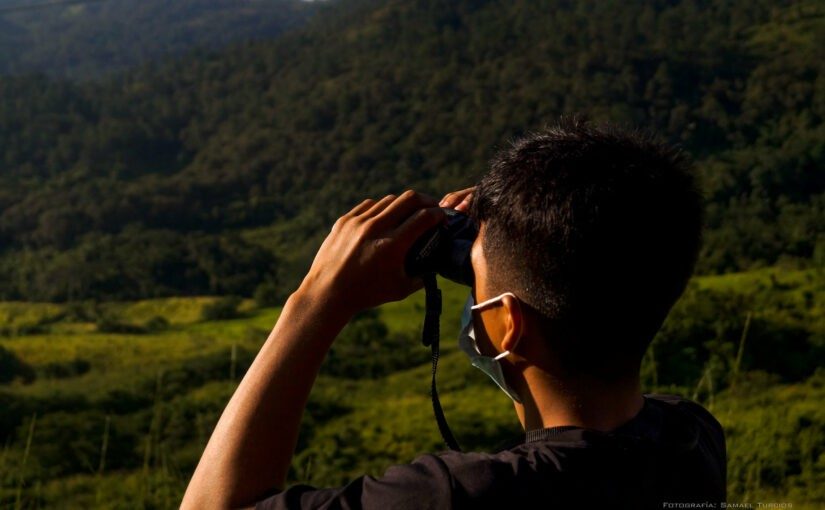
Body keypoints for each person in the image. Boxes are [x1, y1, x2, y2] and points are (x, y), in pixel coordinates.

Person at [181, 119, 726, 509]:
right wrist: (514, 259)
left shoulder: (457, 495)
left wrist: (315, 303)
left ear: (508, 324)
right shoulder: (692, 438)